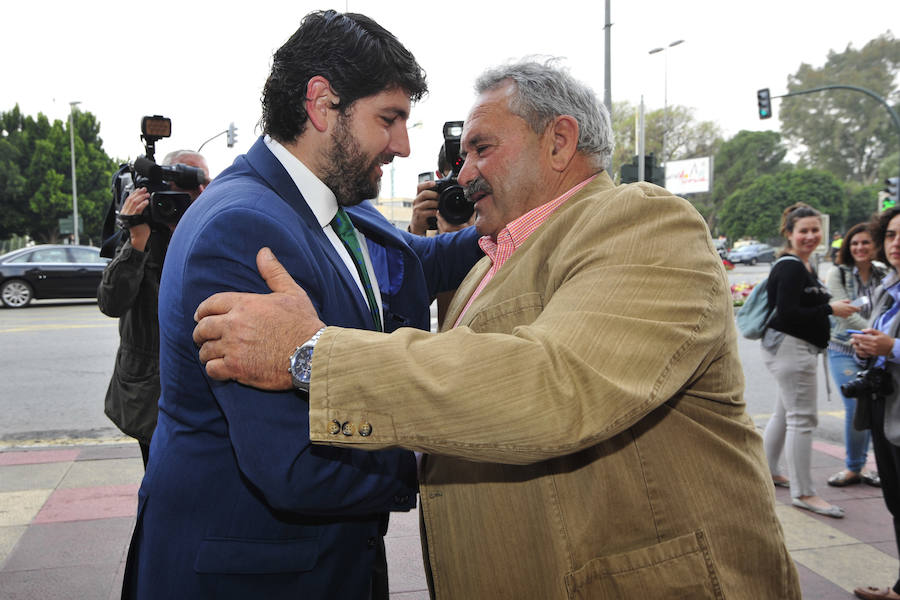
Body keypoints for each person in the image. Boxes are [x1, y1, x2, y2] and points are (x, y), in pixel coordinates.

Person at [193, 60, 800, 599]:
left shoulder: (642, 222)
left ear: (559, 141)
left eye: (482, 148)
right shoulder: (491, 257)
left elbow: (555, 385)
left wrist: (313, 354)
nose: (464, 174)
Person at [121, 11, 482, 600]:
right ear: (321, 103)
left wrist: (525, 218)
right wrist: (457, 451)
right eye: (388, 119)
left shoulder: (334, 205)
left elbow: (419, 261)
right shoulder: (242, 227)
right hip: (255, 576)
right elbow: (292, 465)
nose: (402, 144)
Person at [97, 149, 209, 468]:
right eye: (187, 181)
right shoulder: (142, 233)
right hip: (151, 394)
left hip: (203, 386)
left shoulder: (213, 224)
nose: (198, 191)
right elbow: (111, 302)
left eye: (203, 181)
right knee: (160, 484)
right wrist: (136, 239)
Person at [761, 203, 858, 518]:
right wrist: (831, 310)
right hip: (792, 349)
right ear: (789, 234)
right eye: (803, 231)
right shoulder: (790, 266)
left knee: (783, 413)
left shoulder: (805, 265)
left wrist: (830, 306)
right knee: (802, 420)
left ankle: (768, 471)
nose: (811, 236)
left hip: (794, 348)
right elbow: (788, 314)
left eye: (815, 230)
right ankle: (804, 493)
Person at [849, 207, 900, 600]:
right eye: (892, 235)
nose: (897, 243)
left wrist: (891, 347)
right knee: (897, 502)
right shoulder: (888, 289)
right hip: (886, 409)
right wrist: (866, 349)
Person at [826, 222, 886, 488]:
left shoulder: (884, 274)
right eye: (855, 243)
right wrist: (876, 335)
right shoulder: (837, 274)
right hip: (844, 349)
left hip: (878, 352)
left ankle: (875, 466)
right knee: (855, 405)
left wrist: (881, 343)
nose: (860, 248)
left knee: (879, 409)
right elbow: (846, 315)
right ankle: (853, 467)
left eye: (865, 242)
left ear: (875, 246)